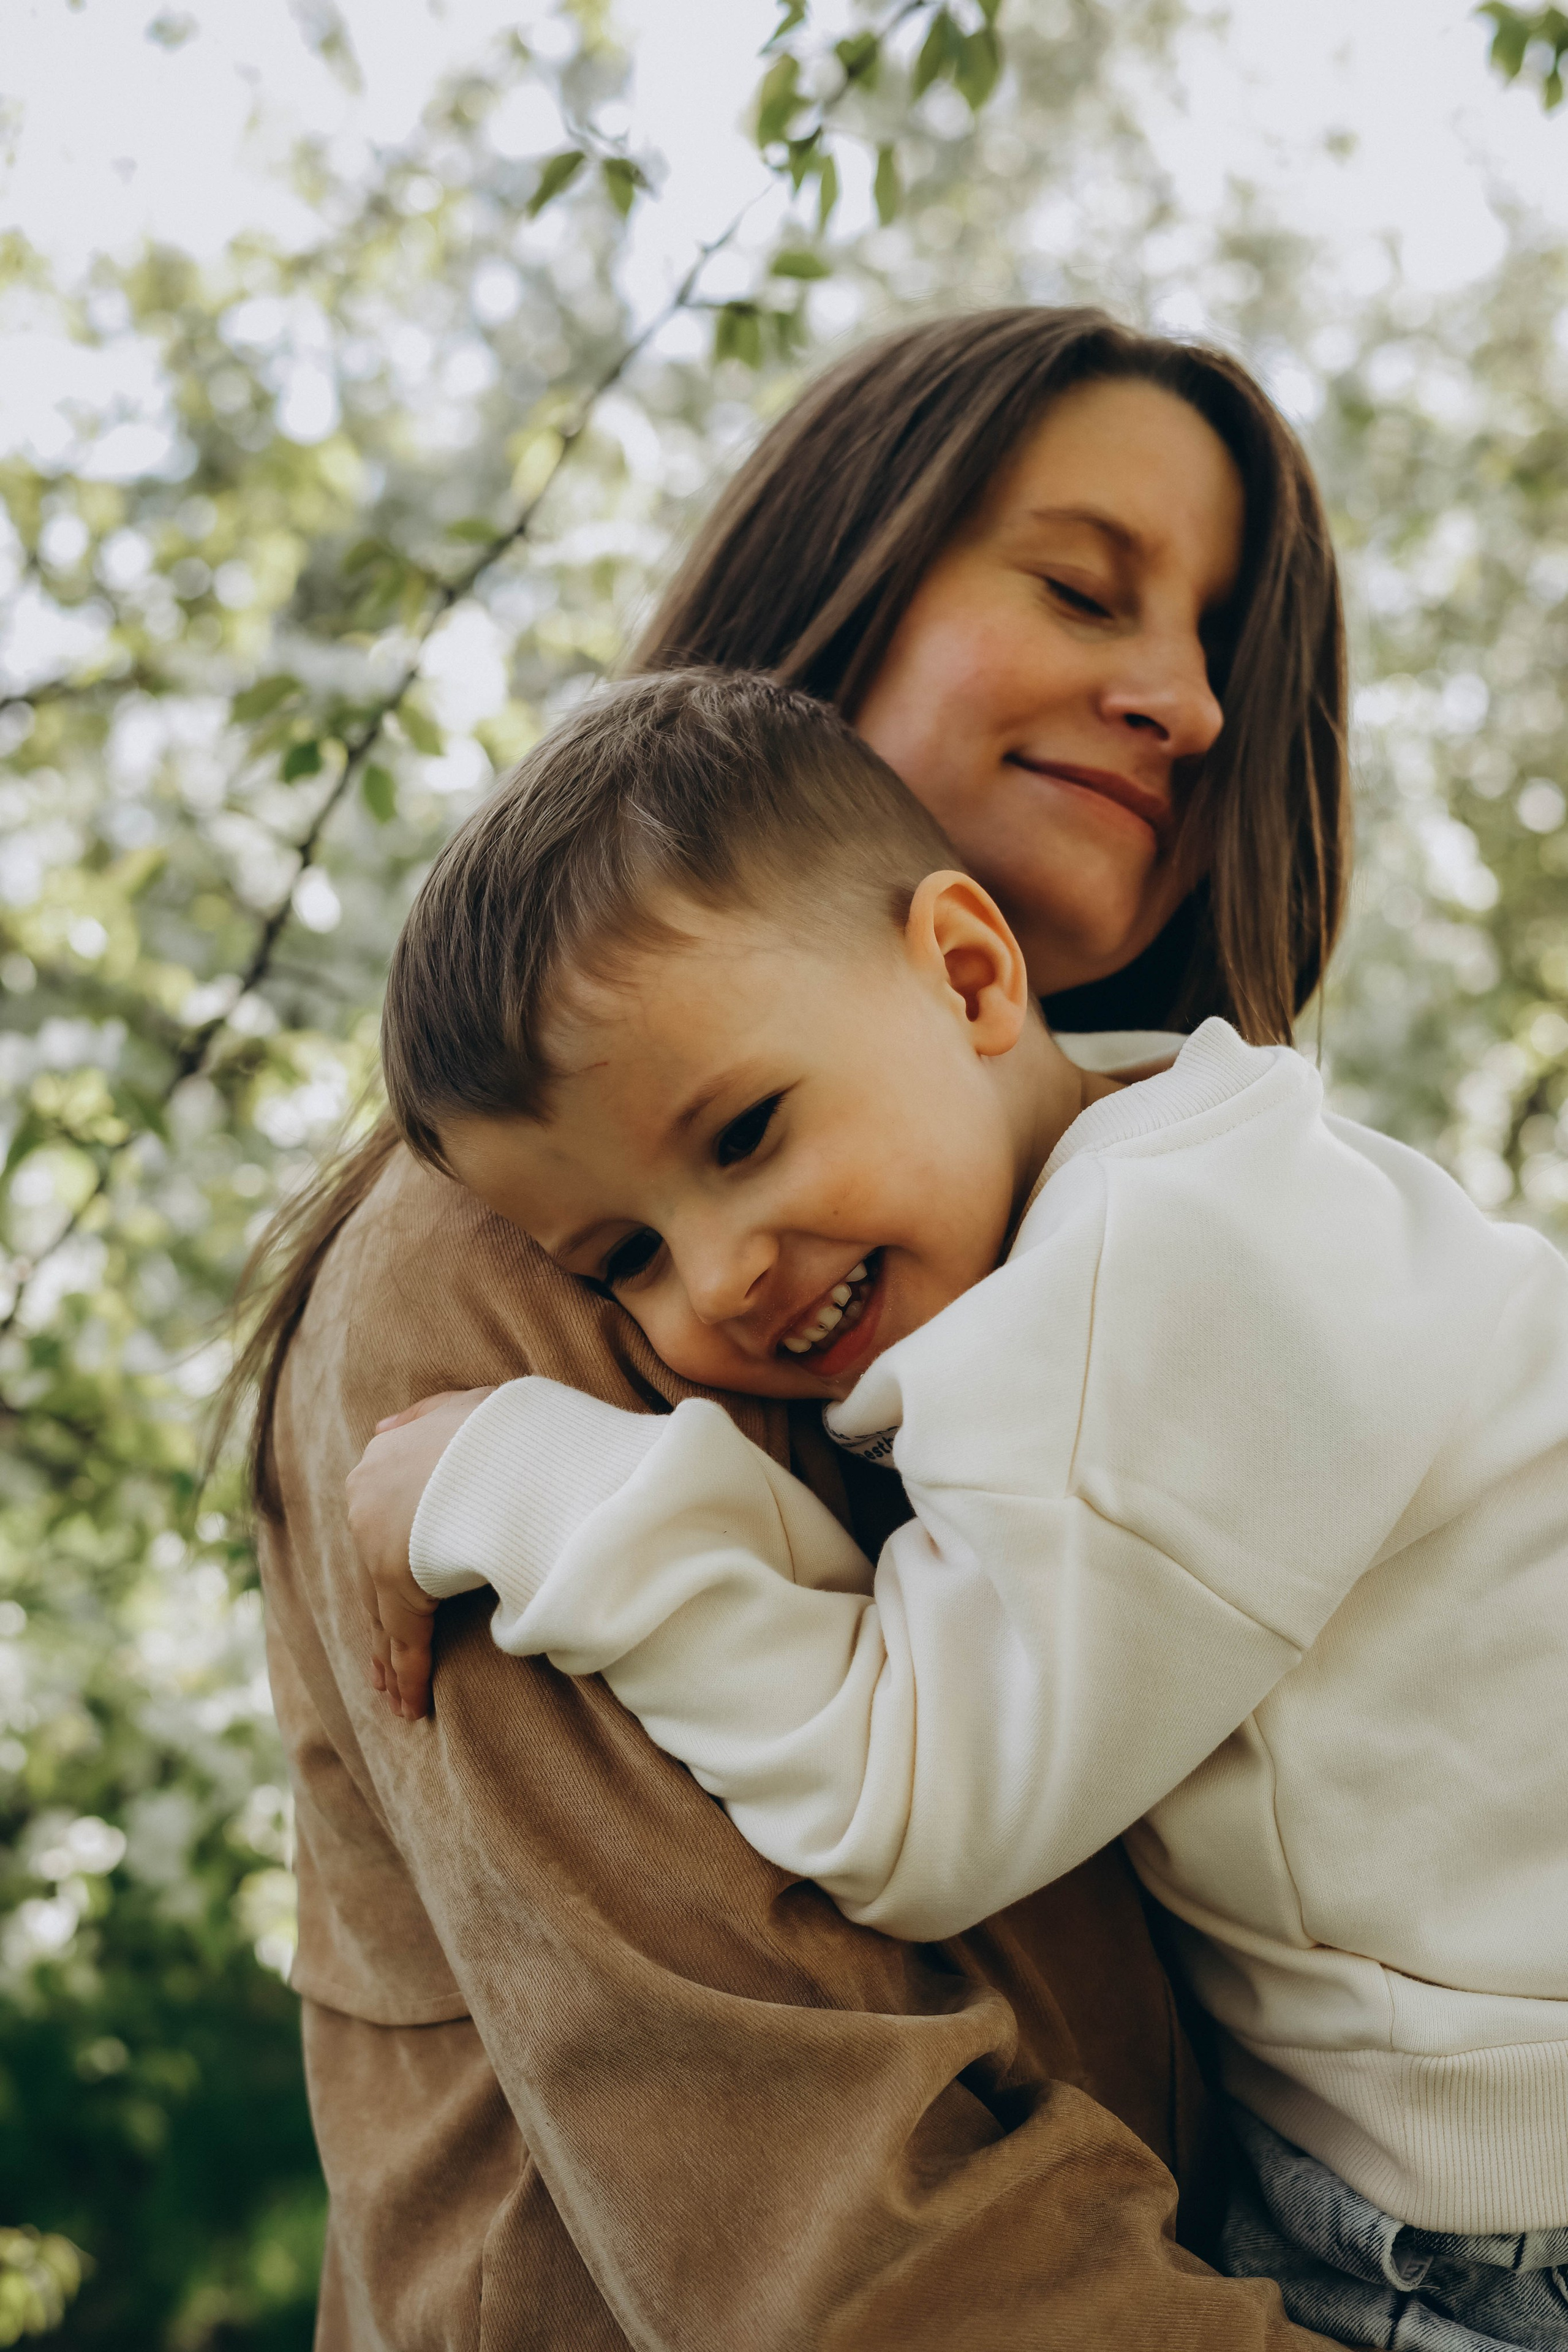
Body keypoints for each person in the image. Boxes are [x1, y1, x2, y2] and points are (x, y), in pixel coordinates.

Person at [239, 307, 1352, 2346]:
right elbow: (846, 2252)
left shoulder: (1174, 1252)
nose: (1186, 697)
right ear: (842, 580)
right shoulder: (497, 1277)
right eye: (1084, 587)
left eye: (1220, 637)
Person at [350, 668, 1568, 2352]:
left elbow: (916, 1798)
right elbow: (932, 1640)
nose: (722, 1276)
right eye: (622, 1258)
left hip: (1501, 2230)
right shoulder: (1196, 1170)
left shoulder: (1152, 1291)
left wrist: (524, 1481)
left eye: (747, 1133)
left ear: (972, 975)